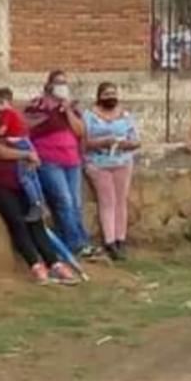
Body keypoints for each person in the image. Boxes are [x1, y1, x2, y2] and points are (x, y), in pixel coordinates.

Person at [0, 94, 80, 286]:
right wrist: (25, 154)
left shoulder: (2, 130)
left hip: (19, 182)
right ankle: (35, 265)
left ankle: (55, 263)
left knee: (35, 220)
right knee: (17, 221)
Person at [24, 71, 91, 256]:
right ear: (49, 85)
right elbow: (31, 125)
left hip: (72, 160)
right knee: (64, 200)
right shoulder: (38, 104)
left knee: (75, 203)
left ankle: (77, 241)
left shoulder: (71, 107)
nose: (62, 86)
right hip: (49, 160)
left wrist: (67, 110)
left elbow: (80, 131)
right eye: (58, 82)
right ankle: (76, 243)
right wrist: (54, 110)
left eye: (64, 83)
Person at [82, 82, 140, 262]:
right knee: (107, 201)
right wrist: (103, 142)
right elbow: (84, 141)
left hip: (122, 160)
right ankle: (109, 241)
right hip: (98, 163)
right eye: (106, 94)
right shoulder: (89, 116)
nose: (110, 97)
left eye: (113, 93)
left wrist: (125, 144)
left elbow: (136, 140)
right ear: (99, 96)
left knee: (120, 201)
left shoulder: (125, 115)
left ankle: (120, 239)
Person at [0, 88, 45, 221]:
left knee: (24, 178)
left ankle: (35, 204)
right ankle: (40, 201)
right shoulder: (15, 113)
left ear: (4, 102)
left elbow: (1, 131)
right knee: (32, 176)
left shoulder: (7, 114)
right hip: (25, 142)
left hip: (19, 145)